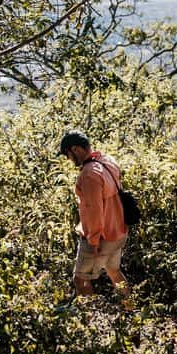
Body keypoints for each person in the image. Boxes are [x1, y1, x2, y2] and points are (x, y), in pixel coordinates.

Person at [59, 131, 132, 307]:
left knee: (80, 279)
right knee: (114, 271)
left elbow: (94, 211)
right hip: (118, 231)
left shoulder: (89, 174)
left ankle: (90, 322)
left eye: (67, 154)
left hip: (101, 236)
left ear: (75, 149)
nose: (69, 159)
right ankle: (131, 310)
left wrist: (93, 242)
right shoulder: (107, 160)